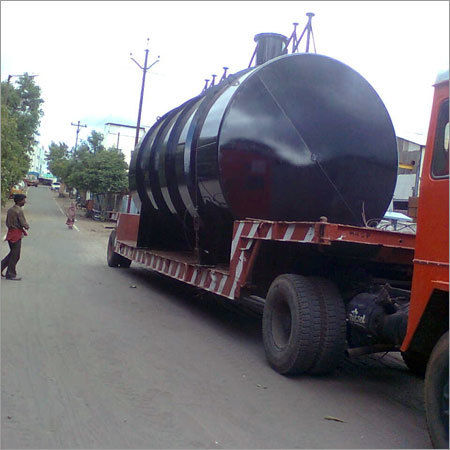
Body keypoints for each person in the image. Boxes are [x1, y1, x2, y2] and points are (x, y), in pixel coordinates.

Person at [1, 193, 30, 281]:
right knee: (15, 255)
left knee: (12, 253)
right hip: (16, 233)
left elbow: (7, 222)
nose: (25, 202)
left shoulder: (10, 210)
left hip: (11, 233)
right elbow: (23, 222)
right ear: (19, 201)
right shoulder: (18, 211)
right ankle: (10, 274)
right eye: (23, 200)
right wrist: (26, 226)